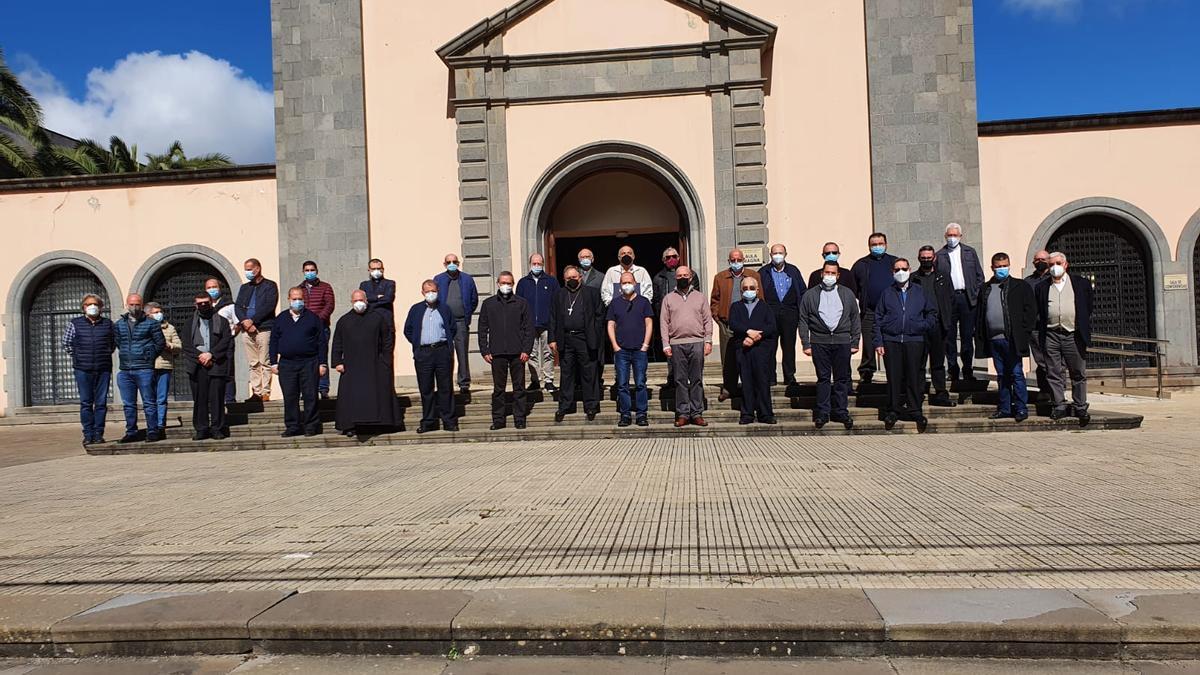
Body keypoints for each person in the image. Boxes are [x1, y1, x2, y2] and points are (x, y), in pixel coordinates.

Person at [873, 258, 937, 431]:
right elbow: (877, 318)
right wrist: (879, 341)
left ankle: (915, 410)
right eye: (897, 269)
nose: (900, 272)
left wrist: (921, 326)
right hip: (892, 341)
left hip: (914, 340)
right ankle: (893, 410)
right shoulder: (887, 293)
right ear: (892, 273)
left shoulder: (920, 291)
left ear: (909, 270)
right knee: (893, 377)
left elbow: (932, 314)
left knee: (914, 377)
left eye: (903, 268)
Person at [975, 252, 1037, 423]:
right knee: (1001, 375)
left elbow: (1030, 311)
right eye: (998, 266)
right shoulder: (986, 288)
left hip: (1013, 338)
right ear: (992, 268)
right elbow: (980, 313)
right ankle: (1004, 408)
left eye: (1005, 265)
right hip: (994, 339)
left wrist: (1024, 332)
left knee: (1016, 373)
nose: (1002, 269)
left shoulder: (1020, 286)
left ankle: (1021, 408)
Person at [799, 262, 861, 430]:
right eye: (827, 272)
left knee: (841, 379)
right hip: (819, 342)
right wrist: (806, 343)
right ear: (821, 273)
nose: (829, 276)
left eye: (833, 273)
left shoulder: (847, 294)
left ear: (838, 275)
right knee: (823, 379)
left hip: (842, 342)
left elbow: (855, 318)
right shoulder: (810, 295)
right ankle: (823, 412)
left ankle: (841, 411)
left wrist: (855, 341)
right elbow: (803, 320)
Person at [1035, 251, 1094, 424]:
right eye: (1051, 264)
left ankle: (1080, 406)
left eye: (1058, 263)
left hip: (1073, 334)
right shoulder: (1042, 286)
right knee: (1053, 372)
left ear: (1066, 265)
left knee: (1078, 372)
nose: (1055, 267)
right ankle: (1059, 405)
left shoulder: (1081, 283)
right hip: (1051, 334)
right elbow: (1040, 309)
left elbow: (1088, 306)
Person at [332, 289, 399, 437]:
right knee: (351, 397)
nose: (358, 303)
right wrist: (337, 362)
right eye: (355, 301)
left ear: (366, 301)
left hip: (375, 365)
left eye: (361, 300)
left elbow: (387, 340)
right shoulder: (344, 321)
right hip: (351, 366)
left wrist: (385, 360)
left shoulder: (377, 318)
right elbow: (337, 342)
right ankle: (350, 426)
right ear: (351, 302)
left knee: (376, 395)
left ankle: (377, 425)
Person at [268, 287, 328, 437]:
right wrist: (273, 362)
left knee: (310, 395)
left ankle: (311, 426)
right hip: (287, 364)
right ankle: (292, 426)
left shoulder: (313, 318)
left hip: (309, 362)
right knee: (290, 396)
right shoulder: (280, 319)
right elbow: (273, 341)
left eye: (300, 299)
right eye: (294, 299)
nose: (297, 302)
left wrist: (322, 363)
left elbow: (322, 342)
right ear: (289, 299)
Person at [478, 271, 534, 430]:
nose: (506, 286)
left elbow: (528, 329)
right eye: (503, 282)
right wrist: (485, 350)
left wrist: (526, 349)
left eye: (509, 283)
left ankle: (519, 418)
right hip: (497, 353)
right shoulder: (489, 304)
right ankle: (498, 420)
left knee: (519, 388)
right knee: (498, 389)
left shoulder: (521, 303)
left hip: (518, 353)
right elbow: (482, 328)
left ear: (513, 284)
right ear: (497, 283)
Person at [403, 280, 459, 433]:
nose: (430, 294)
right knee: (426, 389)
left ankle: (449, 421)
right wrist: (418, 345)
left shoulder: (445, 308)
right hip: (424, 353)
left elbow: (452, 328)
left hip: (442, 351)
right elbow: (408, 330)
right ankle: (428, 421)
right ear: (422, 293)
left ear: (438, 291)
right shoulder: (415, 310)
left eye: (433, 290)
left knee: (445, 388)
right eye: (427, 291)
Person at [550, 265, 604, 422]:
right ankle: (565, 406)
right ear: (564, 279)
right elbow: (553, 317)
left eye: (574, 278)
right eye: (568, 278)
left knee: (589, 373)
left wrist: (595, 334)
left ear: (580, 277)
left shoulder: (592, 293)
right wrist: (552, 339)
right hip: (566, 339)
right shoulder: (559, 295)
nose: (572, 280)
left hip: (585, 339)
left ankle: (592, 406)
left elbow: (600, 315)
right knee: (566, 374)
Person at [660, 264, 712, 427]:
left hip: (697, 342)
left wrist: (708, 340)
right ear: (676, 278)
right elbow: (663, 322)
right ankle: (683, 413)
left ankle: (696, 413)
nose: (682, 278)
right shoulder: (668, 298)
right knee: (680, 380)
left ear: (690, 277)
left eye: (685, 275)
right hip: (677, 344)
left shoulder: (700, 297)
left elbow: (707, 320)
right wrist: (665, 344)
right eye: (679, 275)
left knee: (696, 379)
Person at [112, 293, 165, 443]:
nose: (134, 307)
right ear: (126, 305)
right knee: (128, 404)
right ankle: (131, 432)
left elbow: (159, 343)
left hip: (144, 368)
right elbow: (118, 342)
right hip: (125, 370)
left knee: (149, 402)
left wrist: (149, 355)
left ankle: (153, 431)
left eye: (137, 304)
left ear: (142, 306)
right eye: (131, 304)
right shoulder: (119, 324)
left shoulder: (151, 323)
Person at [62, 294, 115, 445]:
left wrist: (103, 354)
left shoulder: (108, 324)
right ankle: (88, 434)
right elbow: (67, 343)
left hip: (103, 368)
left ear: (101, 307)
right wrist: (78, 356)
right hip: (82, 369)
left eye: (95, 304)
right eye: (88, 304)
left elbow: (112, 344)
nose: (92, 307)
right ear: (83, 308)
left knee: (101, 403)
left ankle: (98, 433)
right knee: (86, 402)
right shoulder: (75, 323)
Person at [182, 291, 235, 440]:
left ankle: (217, 428)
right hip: (197, 366)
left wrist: (211, 354)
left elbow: (226, 340)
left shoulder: (222, 321)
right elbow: (186, 344)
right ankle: (201, 429)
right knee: (200, 399)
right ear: (195, 305)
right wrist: (200, 356)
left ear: (211, 302)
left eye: (206, 302)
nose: (203, 305)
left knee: (217, 398)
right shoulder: (189, 323)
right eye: (200, 303)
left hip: (216, 364)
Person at [936, 223, 985, 382]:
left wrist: (975, 294)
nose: (952, 238)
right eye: (949, 235)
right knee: (949, 337)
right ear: (945, 236)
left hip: (967, 298)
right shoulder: (940, 255)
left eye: (955, 235)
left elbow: (980, 276)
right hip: (949, 300)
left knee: (966, 337)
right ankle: (953, 369)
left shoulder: (970, 252)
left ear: (960, 236)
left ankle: (968, 369)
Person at [711, 248, 761, 402]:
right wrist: (719, 320)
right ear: (729, 261)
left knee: (749, 357)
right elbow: (714, 301)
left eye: (739, 259)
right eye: (733, 260)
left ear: (743, 259)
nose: (736, 262)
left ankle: (750, 388)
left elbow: (761, 299)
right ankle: (728, 388)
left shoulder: (754, 276)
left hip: (750, 325)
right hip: (727, 325)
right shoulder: (720, 277)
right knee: (728, 359)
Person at [729, 276, 778, 425]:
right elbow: (733, 324)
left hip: (761, 350)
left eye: (752, 288)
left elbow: (771, 326)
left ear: (757, 290)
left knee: (762, 382)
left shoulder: (765, 307)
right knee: (747, 383)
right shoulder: (736, 306)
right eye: (745, 288)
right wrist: (748, 332)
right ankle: (747, 414)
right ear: (741, 290)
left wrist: (757, 337)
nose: (748, 291)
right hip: (743, 350)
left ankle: (765, 414)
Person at [607, 271, 654, 427]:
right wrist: (615, 346)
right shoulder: (615, 303)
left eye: (629, 282)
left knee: (640, 382)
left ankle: (641, 414)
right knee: (622, 384)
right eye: (623, 283)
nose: (626, 285)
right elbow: (610, 325)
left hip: (639, 350)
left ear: (635, 283)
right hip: (622, 351)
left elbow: (649, 324)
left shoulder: (644, 302)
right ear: (620, 286)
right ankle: (625, 414)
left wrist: (645, 345)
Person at [851, 233, 897, 388]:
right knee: (869, 344)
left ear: (886, 244)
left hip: (891, 313)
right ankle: (866, 373)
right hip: (869, 311)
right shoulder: (861, 264)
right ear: (869, 246)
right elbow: (854, 288)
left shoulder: (894, 262)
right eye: (874, 244)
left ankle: (894, 373)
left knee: (891, 343)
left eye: (880, 243)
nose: (878, 246)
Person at [912, 246, 956, 407]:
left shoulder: (943, 277)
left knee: (938, 362)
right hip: (919, 326)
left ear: (934, 258)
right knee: (919, 363)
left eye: (929, 257)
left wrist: (947, 320)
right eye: (923, 257)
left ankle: (940, 392)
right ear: (918, 258)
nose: (926, 260)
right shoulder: (913, 278)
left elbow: (950, 299)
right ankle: (919, 392)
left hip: (939, 325)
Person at [758, 243, 806, 387]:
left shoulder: (793, 271)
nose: (777, 255)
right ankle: (770, 377)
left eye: (780, 253)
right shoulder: (763, 272)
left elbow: (802, 291)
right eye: (774, 253)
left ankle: (790, 376)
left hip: (790, 314)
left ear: (785, 254)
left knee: (789, 347)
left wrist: (800, 311)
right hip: (770, 315)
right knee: (770, 347)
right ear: (770, 255)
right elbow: (759, 293)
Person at [235, 258, 279, 402]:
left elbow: (269, 305)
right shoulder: (244, 288)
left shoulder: (270, 286)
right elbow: (238, 307)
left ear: (257, 269)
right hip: (247, 330)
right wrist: (245, 321)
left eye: (249, 268)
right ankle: (256, 391)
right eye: (245, 269)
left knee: (264, 361)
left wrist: (253, 320)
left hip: (264, 328)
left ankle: (265, 392)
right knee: (253, 363)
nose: (247, 272)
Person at [435, 253, 479, 395]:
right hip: (444, 324)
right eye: (449, 262)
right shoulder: (438, 279)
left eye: (454, 261)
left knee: (462, 353)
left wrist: (466, 313)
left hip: (461, 322)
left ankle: (464, 383)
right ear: (444, 264)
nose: (452, 264)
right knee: (445, 355)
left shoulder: (467, 279)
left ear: (458, 263)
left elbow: (474, 299)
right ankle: (446, 384)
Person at [515, 253, 560, 393]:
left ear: (543, 264)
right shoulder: (523, 282)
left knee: (548, 354)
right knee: (531, 354)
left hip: (546, 324)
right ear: (530, 264)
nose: (536, 266)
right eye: (534, 263)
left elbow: (557, 302)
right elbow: (518, 304)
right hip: (528, 325)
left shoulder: (551, 281)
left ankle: (548, 380)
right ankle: (535, 380)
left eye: (539, 263)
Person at [651, 247, 696, 376]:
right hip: (668, 320)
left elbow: (695, 295)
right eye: (668, 257)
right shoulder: (658, 277)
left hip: (686, 320)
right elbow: (656, 300)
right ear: (663, 260)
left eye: (674, 256)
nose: (671, 259)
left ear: (679, 258)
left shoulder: (691, 275)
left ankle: (687, 377)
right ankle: (672, 378)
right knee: (669, 350)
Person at [299, 261, 336, 399]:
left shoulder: (325, 287)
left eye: (312, 269)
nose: (309, 272)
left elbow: (329, 305)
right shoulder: (299, 289)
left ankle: (323, 388)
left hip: (321, 328)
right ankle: (307, 389)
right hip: (304, 330)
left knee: (322, 357)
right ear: (303, 272)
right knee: (305, 359)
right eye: (307, 270)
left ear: (317, 270)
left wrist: (317, 320)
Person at [145, 301, 182, 438]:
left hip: (164, 365)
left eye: (160, 312)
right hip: (147, 367)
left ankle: (160, 424)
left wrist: (169, 346)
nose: (159, 314)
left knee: (161, 398)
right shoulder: (143, 327)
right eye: (155, 312)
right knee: (149, 398)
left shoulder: (169, 328)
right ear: (148, 314)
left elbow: (179, 346)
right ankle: (151, 425)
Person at [1024, 250, 1052, 399]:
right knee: (1041, 360)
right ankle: (1044, 390)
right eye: (1037, 259)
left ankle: (1055, 392)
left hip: (1051, 327)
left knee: (1053, 361)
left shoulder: (1054, 279)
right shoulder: (1028, 281)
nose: (1039, 261)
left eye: (1043, 259)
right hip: (1034, 327)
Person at [206, 277, 239, 404]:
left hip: (226, 343)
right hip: (210, 344)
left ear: (220, 289)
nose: (212, 290)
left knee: (228, 370)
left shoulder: (229, 305)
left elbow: (237, 324)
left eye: (214, 287)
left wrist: (230, 336)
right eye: (209, 288)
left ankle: (230, 399)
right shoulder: (204, 306)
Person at [360, 258, 397, 322]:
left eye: (379, 268)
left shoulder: (390, 283)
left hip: (385, 320)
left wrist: (370, 301)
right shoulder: (364, 285)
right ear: (369, 270)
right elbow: (362, 299)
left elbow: (388, 299)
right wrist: (377, 297)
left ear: (383, 269)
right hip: (369, 320)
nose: (376, 271)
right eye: (373, 269)